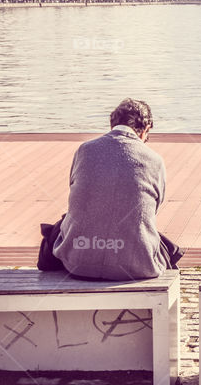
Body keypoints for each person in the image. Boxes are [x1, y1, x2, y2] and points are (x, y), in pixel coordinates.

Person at [37, 98, 182, 280]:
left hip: (79, 263)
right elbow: (152, 209)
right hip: (138, 265)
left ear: (112, 124)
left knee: (62, 224)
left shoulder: (85, 150)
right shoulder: (155, 160)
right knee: (163, 245)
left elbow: (78, 194)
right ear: (146, 129)